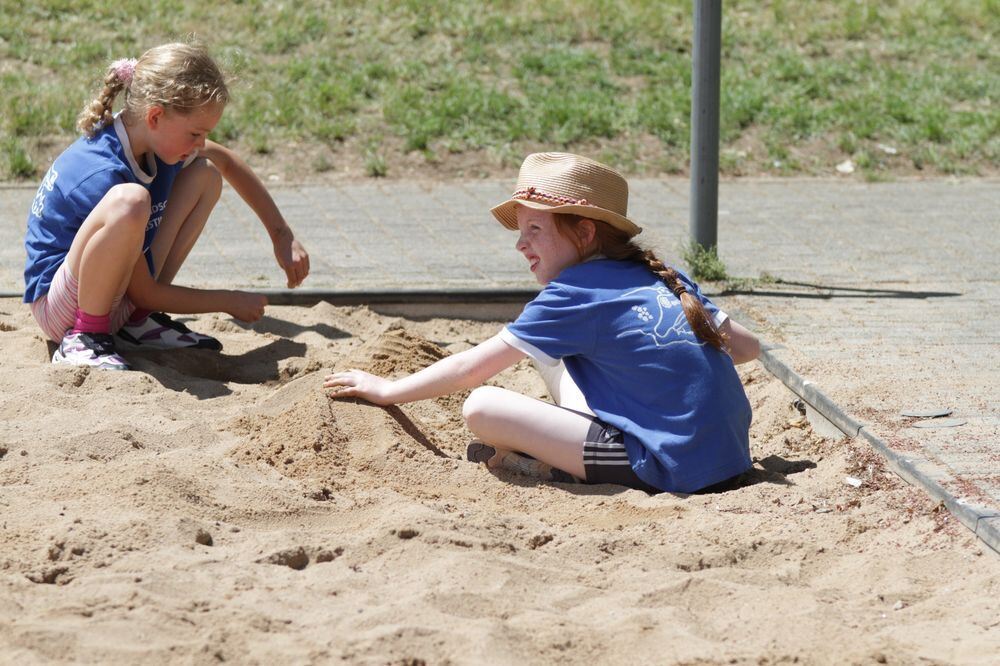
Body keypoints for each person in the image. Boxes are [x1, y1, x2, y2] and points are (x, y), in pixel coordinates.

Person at [324, 153, 760, 494]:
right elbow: (747, 349)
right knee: (553, 354)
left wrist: (388, 390)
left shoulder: (573, 293)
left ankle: (552, 466)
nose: (520, 243)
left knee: (482, 406)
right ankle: (575, 448)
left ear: (585, 234)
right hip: (731, 457)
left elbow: (471, 370)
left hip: (671, 470)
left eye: (534, 227)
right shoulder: (658, 274)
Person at [23, 42, 310, 371]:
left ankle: (137, 325)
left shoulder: (157, 139)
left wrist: (282, 235)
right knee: (131, 201)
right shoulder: (103, 171)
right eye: (195, 133)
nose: (200, 143)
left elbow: (227, 162)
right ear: (155, 116)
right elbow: (145, 291)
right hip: (62, 311)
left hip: (116, 297)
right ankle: (87, 337)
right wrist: (229, 300)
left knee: (205, 175)